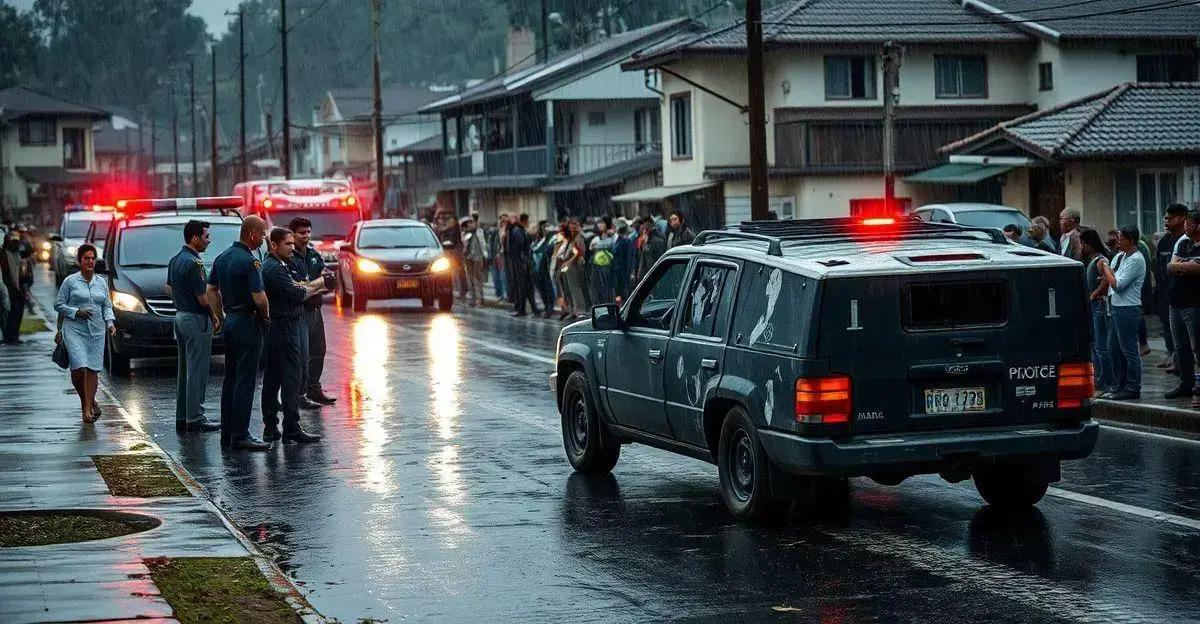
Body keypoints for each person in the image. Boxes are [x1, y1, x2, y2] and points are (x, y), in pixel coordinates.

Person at [206, 216, 273, 451]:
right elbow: (259, 297)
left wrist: (221, 317)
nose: (264, 238)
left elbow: (211, 290)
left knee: (231, 379)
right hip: (248, 322)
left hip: (231, 321)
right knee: (246, 380)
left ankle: (228, 432)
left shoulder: (222, 258)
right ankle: (241, 434)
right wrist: (266, 315)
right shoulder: (250, 261)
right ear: (253, 234)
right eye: (263, 233)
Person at [260, 227, 326, 444]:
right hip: (283, 327)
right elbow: (297, 293)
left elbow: (299, 285)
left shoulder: (283, 264)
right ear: (274, 245)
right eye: (287, 244)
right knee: (289, 378)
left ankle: (273, 426)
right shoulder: (273, 268)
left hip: (282, 325)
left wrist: (310, 286)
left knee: (275, 378)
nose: (292, 247)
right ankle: (290, 426)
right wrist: (321, 283)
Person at [166, 220, 221, 433]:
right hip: (196, 319)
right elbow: (203, 298)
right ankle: (196, 417)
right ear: (195, 238)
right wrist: (214, 316)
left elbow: (168, 287)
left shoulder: (175, 260)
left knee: (185, 370)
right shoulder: (195, 263)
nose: (209, 240)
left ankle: (183, 416)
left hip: (180, 317)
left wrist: (181, 301)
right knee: (197, 370)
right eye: (206, 236)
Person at [54, 244, 114, 423]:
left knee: (93, 369)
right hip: (74, 329)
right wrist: (75, 311)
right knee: (79, 368)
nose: (90, 261)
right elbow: (58, 305)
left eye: (93, 258)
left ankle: (87, 409)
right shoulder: (70, 281)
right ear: (79, 261)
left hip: (96, 331)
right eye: (86, 258)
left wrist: (110, 323)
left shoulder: (101, 282)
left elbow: (107, 306)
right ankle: (86, 402)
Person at [288, 217, 336, 407]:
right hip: (301, 312)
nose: (306, 236)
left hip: (316, 310)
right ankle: (299, 394)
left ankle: (314, 389)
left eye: (308, 232)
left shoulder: (314, 255)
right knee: (301, 354)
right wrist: (315, 286)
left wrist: (315, 286)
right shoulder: (289, 257)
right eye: (301, 233)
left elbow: (328, 282)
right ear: (292, 233)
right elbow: (298, 288)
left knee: (319, 351)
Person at [1098, 225, 1147, 400]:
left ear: (1131, 240)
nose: (1118, 241)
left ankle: (1133, 386)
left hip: (1128, 308)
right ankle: (1119, 384)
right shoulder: (1120, 256)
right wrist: (1107, 272)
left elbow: (1117, 284)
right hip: (1114, 307)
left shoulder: (1136, 259)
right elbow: (1109, 277)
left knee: (1128, 349)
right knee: (1113, 349)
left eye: (1121, 238)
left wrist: (1105, 268)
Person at [1165, 210, 1200, 407]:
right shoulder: (1185, 243)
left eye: (1190, 223)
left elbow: (1197, 268)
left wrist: (1183, 265)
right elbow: (1170, 267)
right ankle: (1186, 384)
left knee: (1197, 348)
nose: (1186, 226)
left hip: (1193, 304)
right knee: (1180, 348)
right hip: (1175, 303)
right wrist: (1185, 264)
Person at [1081, 228, 1114, 395]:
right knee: (1095, 346)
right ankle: (1100, 380)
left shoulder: (1101, 261)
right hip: (1093, 306)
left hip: (1099, 306)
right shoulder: (1092, 260)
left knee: (1101, 347)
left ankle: (1107, 382)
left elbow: (1106, 282)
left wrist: (1093, 295)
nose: (1082, 247)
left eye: (1083, 244)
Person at [1155, 204, 1188, 372]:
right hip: (1164, 292)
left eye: (1170, 218)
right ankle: (1171, 355)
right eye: (1165, 218)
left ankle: (1180, 362)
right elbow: (1158, 267)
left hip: (1183, 295)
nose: (1166, 221)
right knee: (1167, 326)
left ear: (1181, 218)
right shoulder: (1164, 241)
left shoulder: (1186, 241)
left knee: (1184, 333)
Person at [507, 214, 540, 317]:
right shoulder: (519, 231)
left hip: (521, 264)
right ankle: (532, 309)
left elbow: (520, 248)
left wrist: (522, 262)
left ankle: (523, 309)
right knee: (526, 287)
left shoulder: (517, 231)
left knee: (522, 287)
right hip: (522, 263)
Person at [558, 218, 589, 319]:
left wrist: (568, 262)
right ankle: (573, 310)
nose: (571, 226)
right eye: (570, 224)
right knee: (569, 288)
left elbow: (579, 253)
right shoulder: (571, 238)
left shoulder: (579, 238)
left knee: (576, 288)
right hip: (569, 266)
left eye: (574, 224)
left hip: (575, 266)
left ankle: (580, 310)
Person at [1, 231, 26, 344]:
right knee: (10, 312)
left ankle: (14, 335)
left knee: (17, 312)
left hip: (18, 286)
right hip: (8, 286)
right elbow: (6, 272)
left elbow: (28, 249)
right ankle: (9, 336)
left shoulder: (17, 253)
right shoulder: (4, 254)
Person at [530, 220, 556, 317]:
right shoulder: (537, 239)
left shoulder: (551, 239)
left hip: (545, 268)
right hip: (537, 268)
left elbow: (547, 250)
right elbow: (533, 249)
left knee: (548, 289)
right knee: (541, 289)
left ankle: (549, 308)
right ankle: (546, 306)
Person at [589, 216, 617, 304]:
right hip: (596, 266)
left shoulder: (612, 236)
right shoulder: (597, 237)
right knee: (597, 291)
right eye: (599, 223)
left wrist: (598, 245)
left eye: (602, 223)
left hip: (606, 267)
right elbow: (591, 247)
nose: (599, 225)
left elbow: (612, 247)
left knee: (606, 290)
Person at [461, 216, 486, 307]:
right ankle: (473, 299)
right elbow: (463, 246)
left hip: (477, 257)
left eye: (472, 222)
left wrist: (484, 255)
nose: (471, 224)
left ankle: (480, 299)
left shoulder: (479, 232)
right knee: (469, 280)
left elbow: (483, 244)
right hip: (467, 258)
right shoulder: (464, 234)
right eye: (469, 223)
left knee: (478, 279)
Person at [635, 219, 667, 286]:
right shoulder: (646, 241)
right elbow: (643, 258)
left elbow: (658, 259)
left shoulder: (656, 241)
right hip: (648, 275)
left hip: (653, 276)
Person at [611, 221, 635, 303]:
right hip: (624, 271)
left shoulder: (622, 242)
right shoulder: (628, 241)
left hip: (621, 272)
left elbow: (621, 259)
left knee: (623, 294)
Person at [485, 216, 506, 301]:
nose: (502, 223)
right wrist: (491, 256)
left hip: (503, 257)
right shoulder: (495, 232)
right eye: (501, 221)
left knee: (502, 277)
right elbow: (491, 244)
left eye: (504, 221)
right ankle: (499, 293)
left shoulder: (507, 232)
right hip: (495, 257)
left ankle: (504, 294)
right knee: (496, 276)